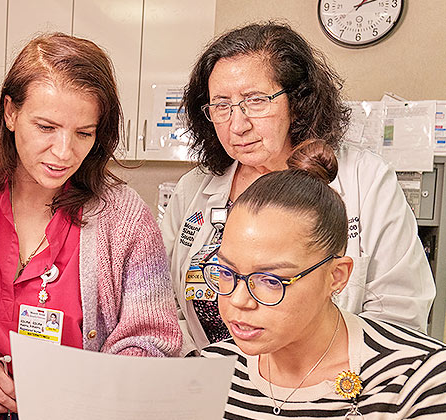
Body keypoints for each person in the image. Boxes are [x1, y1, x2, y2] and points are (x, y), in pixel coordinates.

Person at [0, 32, 182, 417]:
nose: (64, 152)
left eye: (83, 133)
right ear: (10, 113)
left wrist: (82, 388)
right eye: (46, 127)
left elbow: (153, 341)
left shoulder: (125, 218)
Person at [161, 22, 434, 355]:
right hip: (212, 382)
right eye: (221, 105)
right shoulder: (193, 190)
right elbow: (165, 303)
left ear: (297, 100)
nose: (238, 124)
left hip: (332, 387)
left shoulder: (365, 178)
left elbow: (400, 311)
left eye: (256, 101)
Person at [202, 140, 446, 419]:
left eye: (270, 280)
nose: (238, 300)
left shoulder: (416, 381)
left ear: (336, 276)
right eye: (226, 272)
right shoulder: (209, 371)